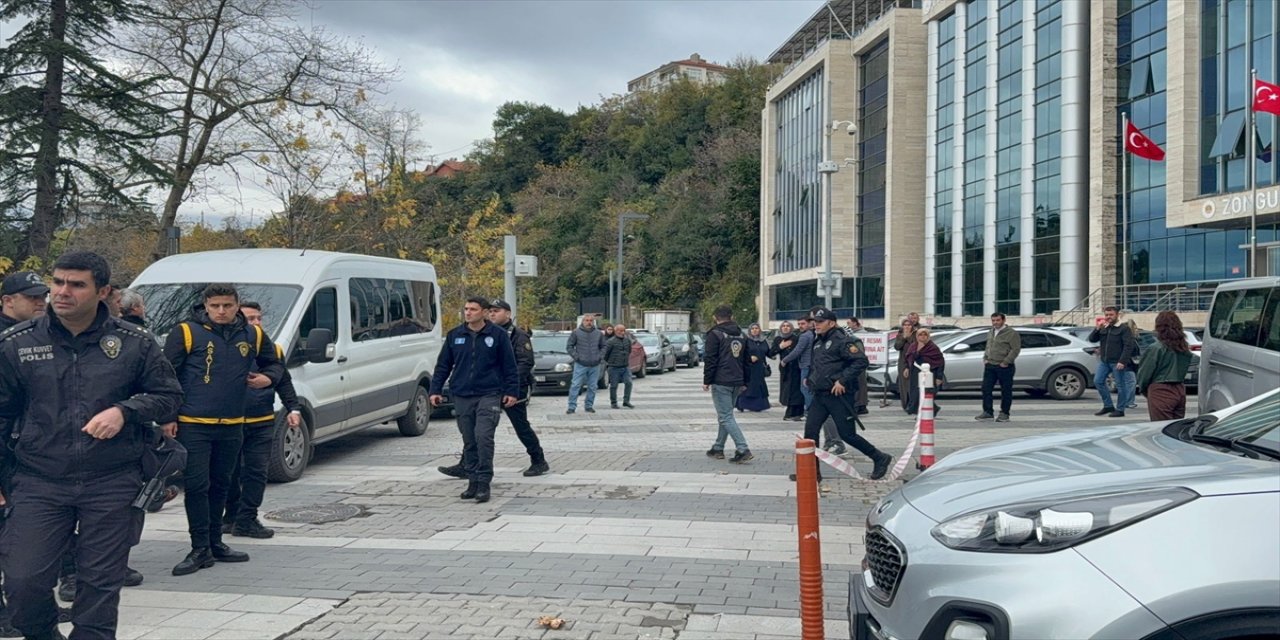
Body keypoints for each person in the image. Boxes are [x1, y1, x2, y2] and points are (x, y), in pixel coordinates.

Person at [0, 251, 183, 640]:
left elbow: (169, 396)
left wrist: (125, 410)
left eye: (76, 284)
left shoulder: (134, 341)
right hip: (38, 480)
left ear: (103, 292)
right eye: (58, 282)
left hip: (111, 479)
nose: (62, 292)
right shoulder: (17, 343)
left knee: (99, 588)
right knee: (22, 582)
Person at [162, 284, 285, 577]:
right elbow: (165, 376)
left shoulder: (252, 334)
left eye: (227, 306)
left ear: (237, 305)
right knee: (197, 485)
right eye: (215, 305)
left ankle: (216, 542)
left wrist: (267, 378)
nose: (221, 311)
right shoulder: (187, 332)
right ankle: (199, 546)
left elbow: (275, 364)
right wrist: (168, 416)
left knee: (222, 484)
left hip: (232, 423)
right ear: (205, 305)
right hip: (194, 424)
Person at [222, 302, 302, 539]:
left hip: (262, 420)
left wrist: (293, 408)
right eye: (250, 319)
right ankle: (231, 516)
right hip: (230, 422)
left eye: (259, 318)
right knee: (229, 472)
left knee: (256, 472)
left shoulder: (272, 350)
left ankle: (247, 518)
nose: (257, 323)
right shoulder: (229, 348)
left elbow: (283, 380)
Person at [429, 297, 518, 503]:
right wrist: (435, 390)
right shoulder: (455, 335)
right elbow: (443, 365)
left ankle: (484, 482)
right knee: (469, 440)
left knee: (483, 437)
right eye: (466, 309)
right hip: (462, 394)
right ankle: (472, 481)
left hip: (489, 394)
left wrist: (512, 391)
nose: (468, 313)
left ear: (485, 312)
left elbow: (509, 366)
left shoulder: (498, 335)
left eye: (473, 309)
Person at [795, 307, 893, 483]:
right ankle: (811, 472)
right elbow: (820, 365)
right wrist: (811, 379)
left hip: (839, 396)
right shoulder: (818, 342)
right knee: (810, 434)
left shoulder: (843, 340)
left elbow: (861, 361)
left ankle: (879, 457)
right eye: (814, 322)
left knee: (847, 434)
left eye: (820, 322)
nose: (816, 325)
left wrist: (842, 380)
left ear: (831, 323)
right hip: (820, 395)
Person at [489, 300, 549, 477]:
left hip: (513, 389)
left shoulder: (518, 335)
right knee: (479, 426)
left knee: (521, 426)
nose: (492, 314)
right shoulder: (488, 333)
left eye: (497, 311)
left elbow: (525, 362)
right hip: (491, 388)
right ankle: (466, 462)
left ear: (508, 314)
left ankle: (538, 460)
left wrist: (510, 385)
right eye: (490, 311)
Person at [702, 305, 753, 463]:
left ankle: (743, 449)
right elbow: (747, 361)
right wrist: (745, 381)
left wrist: (707, 380)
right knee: (726, 415)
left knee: (725, 416)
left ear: (715, 317)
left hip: (721, 380)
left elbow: (710, 359)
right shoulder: (742, 334)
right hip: (737, 380)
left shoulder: (715, 334)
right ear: (731, 317)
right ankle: (718, 447)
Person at [1136, 311, 1193, 421]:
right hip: (1180, 388)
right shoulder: (1183, 348)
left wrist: (1144, 389)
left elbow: (1145, 373)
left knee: (1160, 428)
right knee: (1176, 427)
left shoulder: (1156, 348)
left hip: (1161, 389)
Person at [1088, 306, 1139, 418]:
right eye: (1106, 315)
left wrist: (1122, 361)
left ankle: (1120, 409)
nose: (1108, 317)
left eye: (1111, 315)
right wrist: (1097, 328)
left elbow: (1128, 346)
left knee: (1120, 386)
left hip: (1117, 362)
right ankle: (1108, 405)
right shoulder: (1104, 327)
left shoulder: (1123, 328)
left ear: (1117, 315)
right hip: (1104, 361)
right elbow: (1092, 339)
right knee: (1098, 381)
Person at [977, 312, 1021, 422]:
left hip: (1004, 366)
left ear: (1003, 320)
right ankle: (988, 412)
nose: (995, 323)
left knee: (1006, 390)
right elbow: (988, 346)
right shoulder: (991, 331)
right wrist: (985, 358)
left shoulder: (1011, 333)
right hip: (990, 365)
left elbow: (1015, 349)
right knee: (986, 388)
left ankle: (1004, 413)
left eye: (998, 320)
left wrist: (1006, 361)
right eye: (993, 320)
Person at [565, 315, 606, 414]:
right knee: (575, 385)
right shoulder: (576, 333)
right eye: (587, 320)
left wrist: (599, 357)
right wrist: (577, 357)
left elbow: (604, 346)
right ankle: (571, 407)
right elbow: (569, 346)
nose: (589, 322)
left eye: (591, 321)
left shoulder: (598, 333)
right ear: (583, 322)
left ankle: (589, 406)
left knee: (593, 386)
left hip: (595, 364)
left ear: (593, 322)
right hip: (581, 364)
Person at [779, 315, 815, 419]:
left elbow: (798, 351)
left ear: (809, 323)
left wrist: (784, 360)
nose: (800, 326)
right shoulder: (812, 334)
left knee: (805, 389)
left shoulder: (804, 336)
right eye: (799, 324)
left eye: (803, 324)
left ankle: (809, 412)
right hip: (810, 365)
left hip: (806, 365)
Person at [903, 328, 945, 416]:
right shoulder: (913, 346)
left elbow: (940, 362)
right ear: (916, 336)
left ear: (928, 336)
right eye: (920, 335)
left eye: (925, 335)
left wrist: (939, 377)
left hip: (930, 373)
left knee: (926, 392)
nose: (922, 337)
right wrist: (907, 368)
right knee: (915, 392)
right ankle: (924, 410)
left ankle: (924, 411)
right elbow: (910, 358)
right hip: (915, 372)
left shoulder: (933, 347)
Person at [768, 321, 804, 421]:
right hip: (785, 368)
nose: (785, 328)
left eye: (788, 326)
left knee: (796, 390)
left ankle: (795, 412)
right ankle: (791, 411)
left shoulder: (796, 339)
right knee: (786, 389)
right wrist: (780, 347)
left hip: (796, 367)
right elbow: (771, 353)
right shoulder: (778, 339)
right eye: (783, 326)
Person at [734, 323, 771, 412]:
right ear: (750, 331)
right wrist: (749, 358)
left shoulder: (763, 341)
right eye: (752, 328)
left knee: (758, 386)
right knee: (748, 386)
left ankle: (758, 405)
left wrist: (779, 348)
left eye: (756, 328)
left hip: (759, 368)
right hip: (748, 367)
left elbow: (769, 352)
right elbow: (739, 353)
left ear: (759, 330)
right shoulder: (745, 340)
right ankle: (742, 405)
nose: (754, 330)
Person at [602, 324, 636, 409]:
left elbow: (629, 351)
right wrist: (611, 362)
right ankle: (614, 402)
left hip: (625, 366)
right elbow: (605, 354)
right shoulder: (610, 341)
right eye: (620, 331)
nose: (622, 332)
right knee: (614, 385)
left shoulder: (627, 340)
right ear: (615, 331)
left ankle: (626, 401)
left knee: (628, 383)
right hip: (614, 367)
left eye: (623, 330)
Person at [843, 316, 870, 415]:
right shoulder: (849, 341)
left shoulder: (854, 341)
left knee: (859, 388)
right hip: (853, 368)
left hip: (857, 369)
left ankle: (859, 406)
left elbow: (859, 355)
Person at [893, 313, 920, 412]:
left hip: (913, 361)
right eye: (905, 325)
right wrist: (904, 337)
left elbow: (914, 346)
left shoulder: (916, 334)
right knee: (904, 385)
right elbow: (897, 347)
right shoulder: (900, 335)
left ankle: (914, 404)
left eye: (908, 325)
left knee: (913, 384)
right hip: (903, 362)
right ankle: (906, 404)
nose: (907, 327)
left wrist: (908, 336)